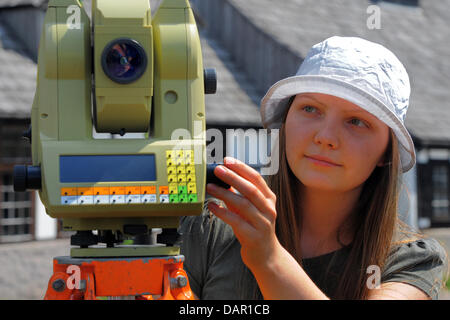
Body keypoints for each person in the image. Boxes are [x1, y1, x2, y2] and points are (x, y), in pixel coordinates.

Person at [178, 36, 449, 300]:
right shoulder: (209, 227)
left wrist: (269, 258)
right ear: (286, 120)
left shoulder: (413, 261)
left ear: (386, 154)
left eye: (356, 122)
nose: (326, 137)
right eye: (310, 109)